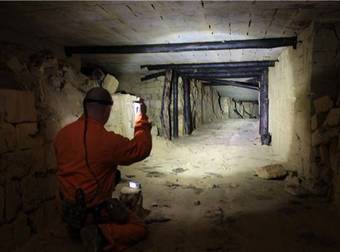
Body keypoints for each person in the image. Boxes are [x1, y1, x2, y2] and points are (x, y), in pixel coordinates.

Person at [54, 87, 152, 251]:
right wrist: (141, 119)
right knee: (139, 227)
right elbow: (141, 148)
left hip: (70, 211)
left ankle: (78, 230)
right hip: (93, 211)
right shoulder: (107, 141)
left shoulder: (62, 135)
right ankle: (101, 233)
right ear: (107, 109)